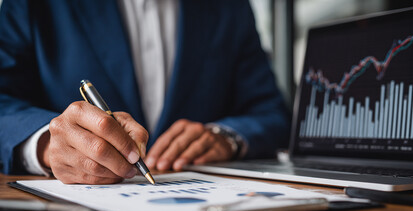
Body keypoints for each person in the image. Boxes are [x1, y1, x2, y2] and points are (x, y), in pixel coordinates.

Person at [0, 0, 290, 184]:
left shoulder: (230, 7)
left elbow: (272, 112)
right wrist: (47, 144)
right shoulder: (32, 4)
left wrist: (228, 136)